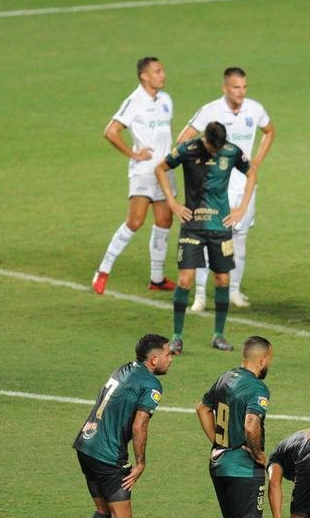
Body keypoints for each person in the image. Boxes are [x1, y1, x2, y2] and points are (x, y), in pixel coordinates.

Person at [72, 333, 174, 518]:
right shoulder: (151, 384)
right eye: (168, 354)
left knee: (102, 510)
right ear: (154, 359)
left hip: (86, 443)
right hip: (107, 453)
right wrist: (140, 463)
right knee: (122, 515)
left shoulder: (124, 368)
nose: (171, 359)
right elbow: (140, 425)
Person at [195, 335, 285, 518]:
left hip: (219, 462)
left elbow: (202, 408)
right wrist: (259, 455)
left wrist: (219, 441)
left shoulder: (227, 377)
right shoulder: (258, 388)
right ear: (263, 358)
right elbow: (250, 425)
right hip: (241, 468)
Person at [176, 67, 275, 312]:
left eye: (244, 87)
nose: (241, 92)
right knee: (209, 239)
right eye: (235, 87)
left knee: (240, 239)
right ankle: (200, 295)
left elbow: (269, 131)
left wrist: (257, 161)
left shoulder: (255, 109)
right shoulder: (210, 110)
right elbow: (183, 140)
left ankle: (234, 291)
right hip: (215, 189)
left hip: (245, 186)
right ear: (225, 88)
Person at [155, 122, 257, 355]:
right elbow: (160, 168)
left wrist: (241, 208)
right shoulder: (187, 149)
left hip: (220, 227)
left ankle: (218, 335)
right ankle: (177, 337)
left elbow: (251, 173)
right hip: (192, 225)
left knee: (222, 280)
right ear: (205, 139)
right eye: (212, 147)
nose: (215, 151)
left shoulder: (231, 151)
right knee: (184, 280)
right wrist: (172, 202)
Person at [91, 57, 176, 295]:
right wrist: (134, 154)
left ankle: (157, 279)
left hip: (165, 170)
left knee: (164, 220)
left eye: (163, 70)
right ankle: (103, 270)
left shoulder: (166, 100)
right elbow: (111, 131)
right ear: (144, 76)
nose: (163, 75)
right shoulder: (134, 101)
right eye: (158, 71)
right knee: (135, 221)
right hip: (144, 172)